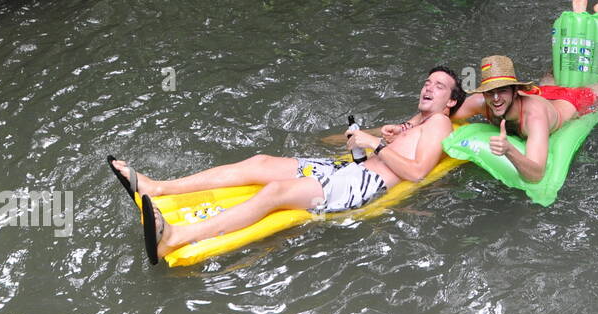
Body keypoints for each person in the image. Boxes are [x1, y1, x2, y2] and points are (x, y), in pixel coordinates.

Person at [111, 68, 465, 263]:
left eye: (439, 86)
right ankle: (156, 188)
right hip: (342, 168)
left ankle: (175, 237)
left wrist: (378, 143)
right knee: (259, 162)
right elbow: (381, 145)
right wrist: (368, 135)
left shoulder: (440, 124)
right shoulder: (414, 121)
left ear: (450, 102)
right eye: (427, 81)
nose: (428, 87)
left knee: (276, 192)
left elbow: (417, 173)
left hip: (362, 186)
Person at [453, 0, 598, 183]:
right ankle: (578, 18)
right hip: (544, 93)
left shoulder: (534, 117)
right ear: (483, 93)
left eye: (502, 90)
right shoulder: (481, 102)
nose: (495, 98)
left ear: (516, 91)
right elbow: (447, 114)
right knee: (554, 72)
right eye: (490, 92)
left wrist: (509, 150)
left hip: (571, 100)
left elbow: (536, 175)